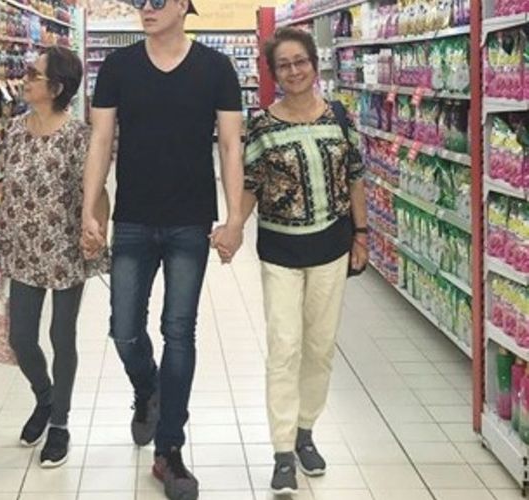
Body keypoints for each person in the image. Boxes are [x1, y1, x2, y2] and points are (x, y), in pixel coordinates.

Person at [80, 0, 245, 498]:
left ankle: (169, 449)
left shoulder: (216, 68)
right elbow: (100, 139)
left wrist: (235, 219)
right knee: (124, 329)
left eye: (156, 1)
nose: (145, 9)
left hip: (190, 221)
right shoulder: (118, 66)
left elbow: (231, 145)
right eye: (140, 2)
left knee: (179, 331)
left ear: (183, 5)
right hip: (133, 217)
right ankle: (148, 388)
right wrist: (89, 209)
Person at [235, 27, 368, 495]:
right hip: (280, 250)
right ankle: (281, 452)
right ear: (273, 74)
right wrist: (233, 227)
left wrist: (362, 234)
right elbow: (250, 183)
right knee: (284, 346)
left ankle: (305, 431)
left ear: (314, 64)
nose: (293, 71)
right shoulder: (262, 126)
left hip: (331, 246)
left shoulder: (339, 116)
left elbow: (355, 176)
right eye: (283, 65)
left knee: (320, 346)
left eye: (300, 62)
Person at [0, 46, 108, 469]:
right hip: (23, 249)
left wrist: (97, 230)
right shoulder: (13, 130)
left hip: (64, 249)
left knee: (63, 337)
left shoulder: (79, 136)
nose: (25, 79)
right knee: (21, 337)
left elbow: (97, 192)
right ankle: (44, 397)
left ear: (57, 88)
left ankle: (59, 422)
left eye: (34, 74)